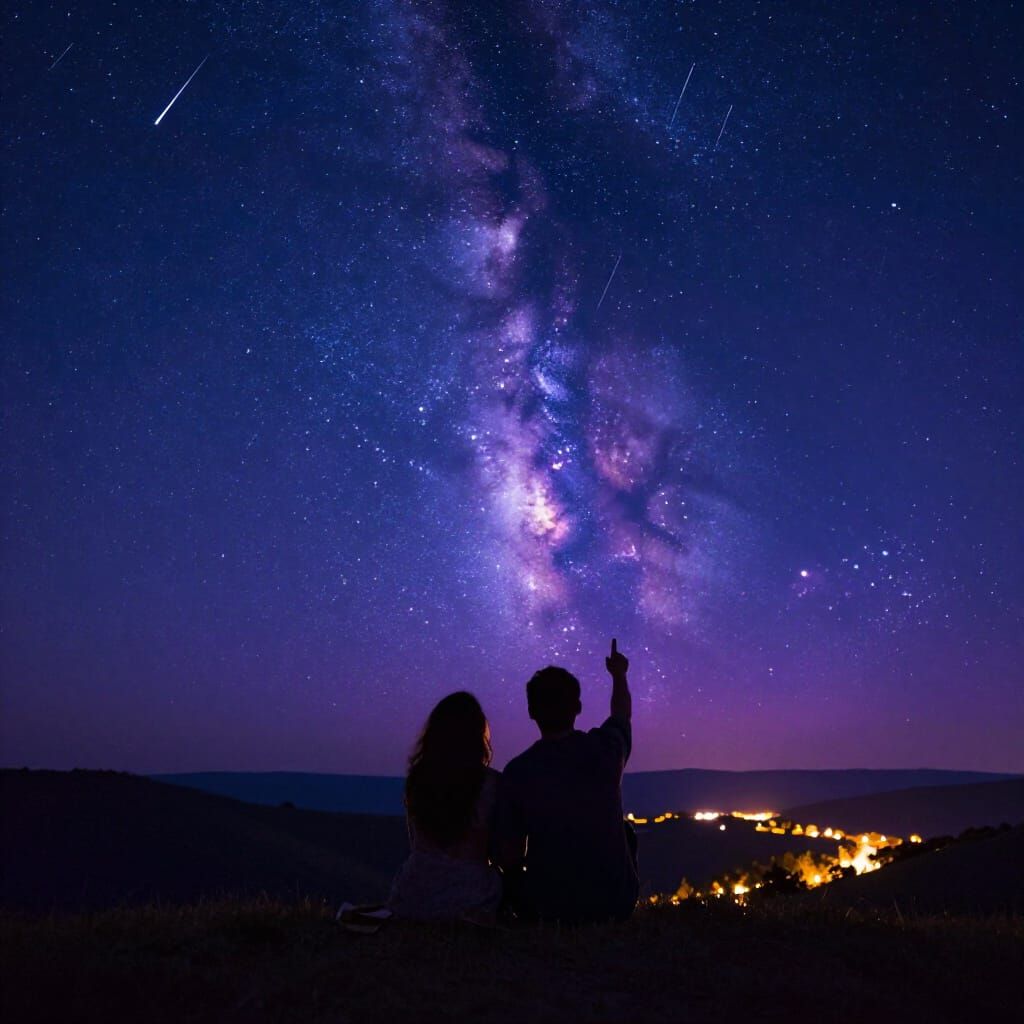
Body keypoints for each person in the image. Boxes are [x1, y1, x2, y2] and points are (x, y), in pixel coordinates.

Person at [496, 639, 639, 924]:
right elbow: (621, 715)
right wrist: (619, 675)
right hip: (614, 904)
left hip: (548, 907)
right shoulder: (607, 750)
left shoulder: (517, 772)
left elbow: (508, 856)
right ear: (578, 706)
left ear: (531, 712)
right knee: (627, 833)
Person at [388, 691, 502, 921]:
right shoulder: (492, 784)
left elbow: (415, 844)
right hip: (472, 896)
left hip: (413, 893)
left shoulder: (417, 780)